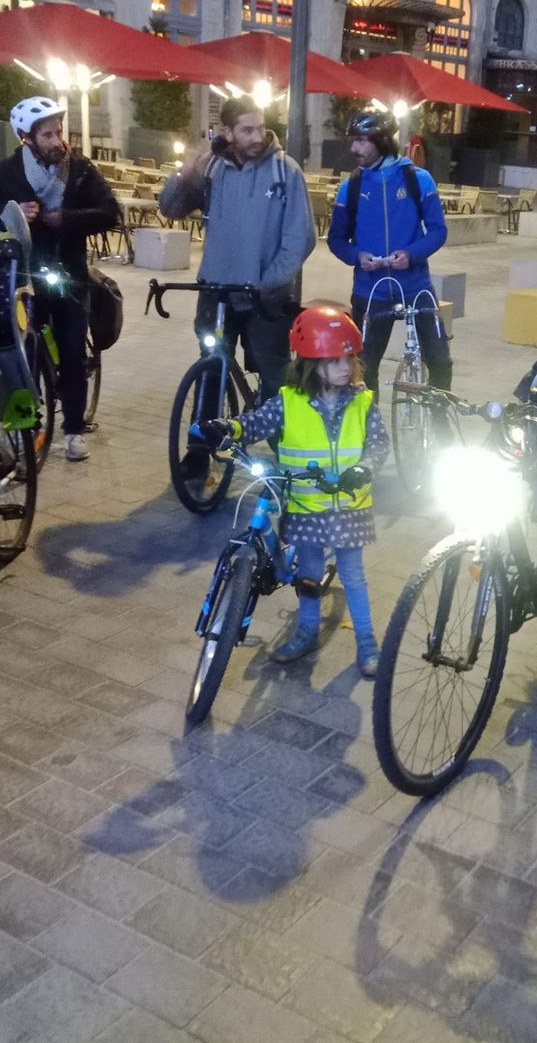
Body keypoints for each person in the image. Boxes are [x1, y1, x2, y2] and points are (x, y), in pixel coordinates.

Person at [198, 306, 388, 676]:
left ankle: (367, 641)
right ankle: (305, 632)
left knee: (353, 575)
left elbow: (378, 445)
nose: (344, 368)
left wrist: (364, 469)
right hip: (304, 507)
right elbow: (256, 422)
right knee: (309, 575)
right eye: (333, 361)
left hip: (350, 507)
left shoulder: (363, 403)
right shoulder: (289, 402)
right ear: (310, 363)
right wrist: (230, 428)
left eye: (348, 359)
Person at [0, 96, 118, 462]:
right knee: (25, 353)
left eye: (58, 132)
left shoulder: (78, 169)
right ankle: (28, 426)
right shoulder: (8, 171)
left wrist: (68, 219)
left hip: (70, 276)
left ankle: (74, 430)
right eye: (47, 134)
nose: (56, 141)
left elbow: (109, 211)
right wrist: (9, 210)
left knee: (74, 353)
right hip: (24, 277)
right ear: (26, 138)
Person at [160, 96, 315, 438]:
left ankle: (284, 453)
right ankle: (200, 453)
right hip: (215, 294)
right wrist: (187, 171)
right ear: (227, 132)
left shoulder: (284, 170)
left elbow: (300, 239)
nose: (257, 136)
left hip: (265, 297)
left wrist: (269, 281)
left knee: (275, 376)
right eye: (247, 130)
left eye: (260, 127)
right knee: (210, 371)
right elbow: (170, 209)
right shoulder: (212, 169)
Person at [327, 109, 451, 394]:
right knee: (362, 369)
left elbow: (437, 231)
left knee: (441, 361)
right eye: (352, 140)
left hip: (416, 287)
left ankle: (441, 425)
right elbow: (336, 239)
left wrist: (411, 254)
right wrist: (356, 256)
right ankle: (370, 433)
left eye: (361, 140)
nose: (353, 148)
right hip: (370, 292)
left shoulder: (418, 179)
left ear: (382, 140)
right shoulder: (351, 187)